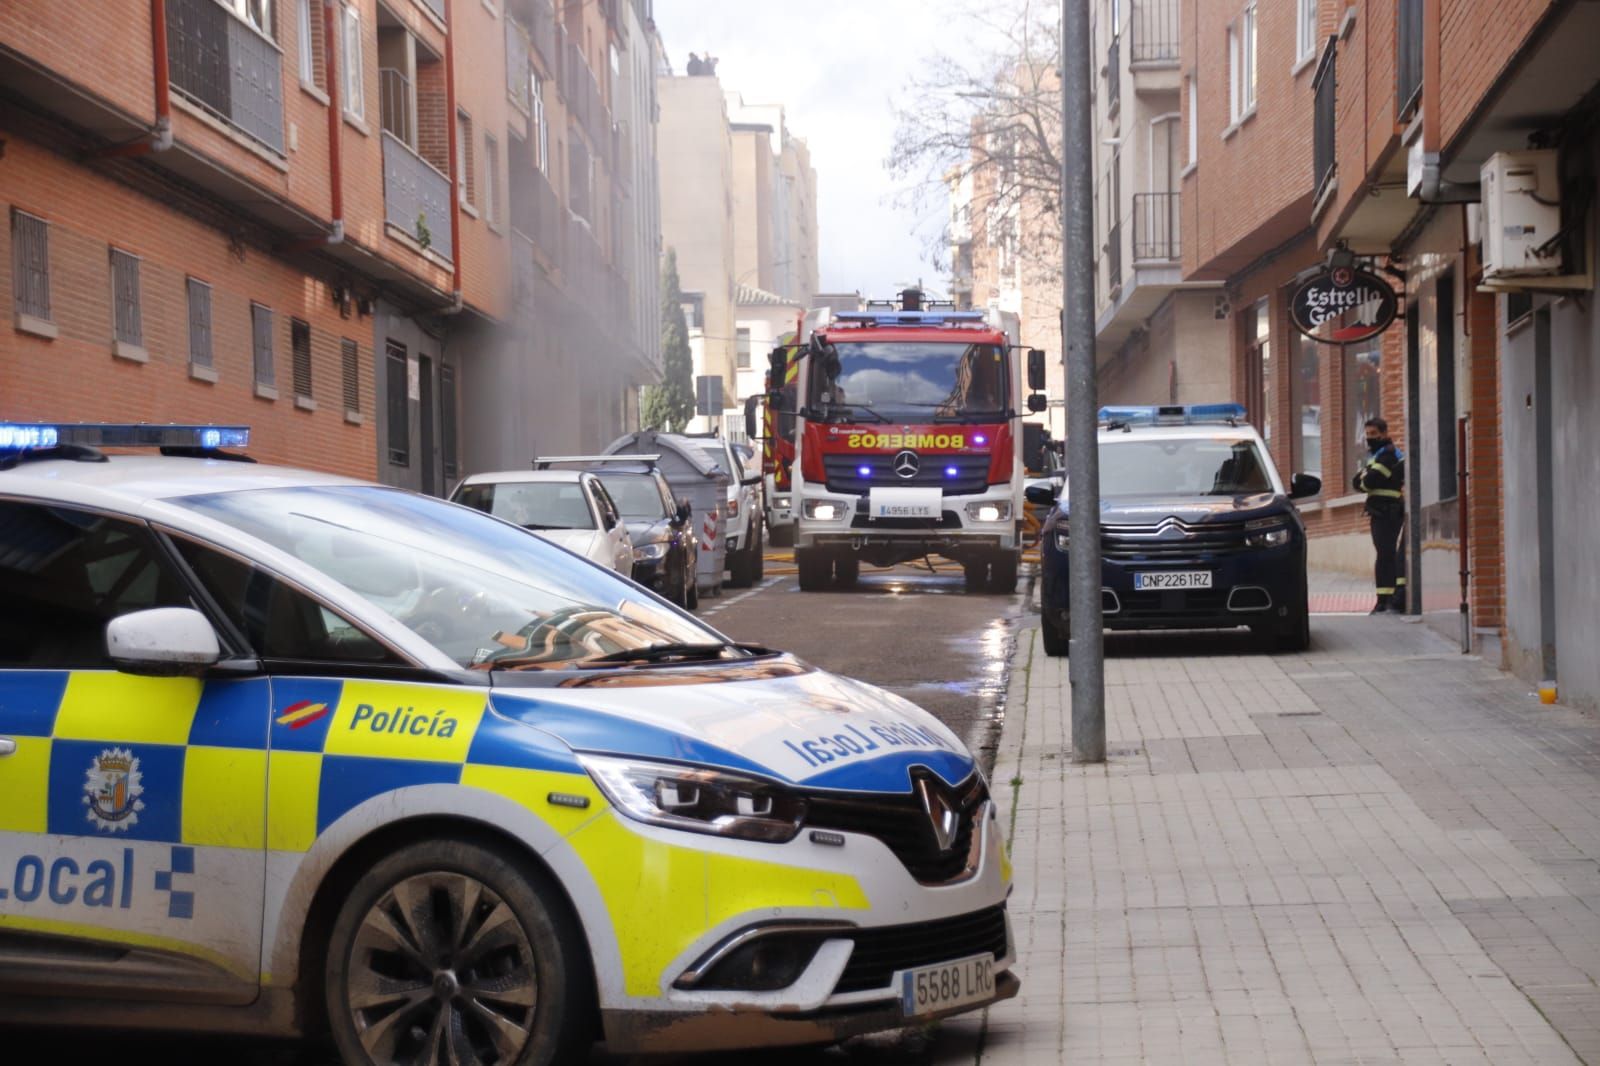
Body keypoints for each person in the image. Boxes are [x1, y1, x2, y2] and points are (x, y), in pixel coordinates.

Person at [1353, 417, 1406, 614]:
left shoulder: (1388, 455)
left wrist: (1364, 478)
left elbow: (1367, 483)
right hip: (1382, 511)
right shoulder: (1378, 455)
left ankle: (1386, 601)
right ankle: (1386, 599)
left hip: (1387, 511)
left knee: (1385, 555)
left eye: (1374, 434)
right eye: (1367, 434)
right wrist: (1364, 478)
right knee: (1385, 554)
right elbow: (1357, 482)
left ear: (1384, 433)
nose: (1370, 438)